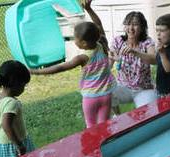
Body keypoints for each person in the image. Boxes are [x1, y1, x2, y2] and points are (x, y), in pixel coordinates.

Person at [30, 0, 116, 128]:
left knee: (91, 127)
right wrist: (89, 9)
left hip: (90, 98)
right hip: (106, 95)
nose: (74, 40)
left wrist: (36, 71)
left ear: (84, 43)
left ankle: (94, 147)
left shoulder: (82, 58)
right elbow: (99, 25)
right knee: (104, 126)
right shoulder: (102, 45)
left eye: (76, 38)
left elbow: (60, 67)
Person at [108, 11, 158, 114]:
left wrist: (135, 52)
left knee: (148, 115)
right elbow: (108, 66)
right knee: (105, 92)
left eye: (135, 24)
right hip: (123, 87)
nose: (130, 28)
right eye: (128, 24)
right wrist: (112, 57)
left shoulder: (147, 42)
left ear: (142, 27)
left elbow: (154, 60)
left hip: (143, 89)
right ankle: (117, 116)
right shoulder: (118, 41)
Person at [0, 60, 35, 157]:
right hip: (13, 144)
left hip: (0, 143)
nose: (24, 88)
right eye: (24, 85)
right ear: (17, 84)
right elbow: (6, 125)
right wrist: (19, 145)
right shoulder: (12, 103)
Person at [136, 14, 170, 97]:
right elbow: (156, 61)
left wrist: (162, 53)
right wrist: (136, 53)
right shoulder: (162, 47)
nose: (158, 34)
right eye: (157, 30)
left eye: (162, 31)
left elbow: (168, 69)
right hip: (160, 89)